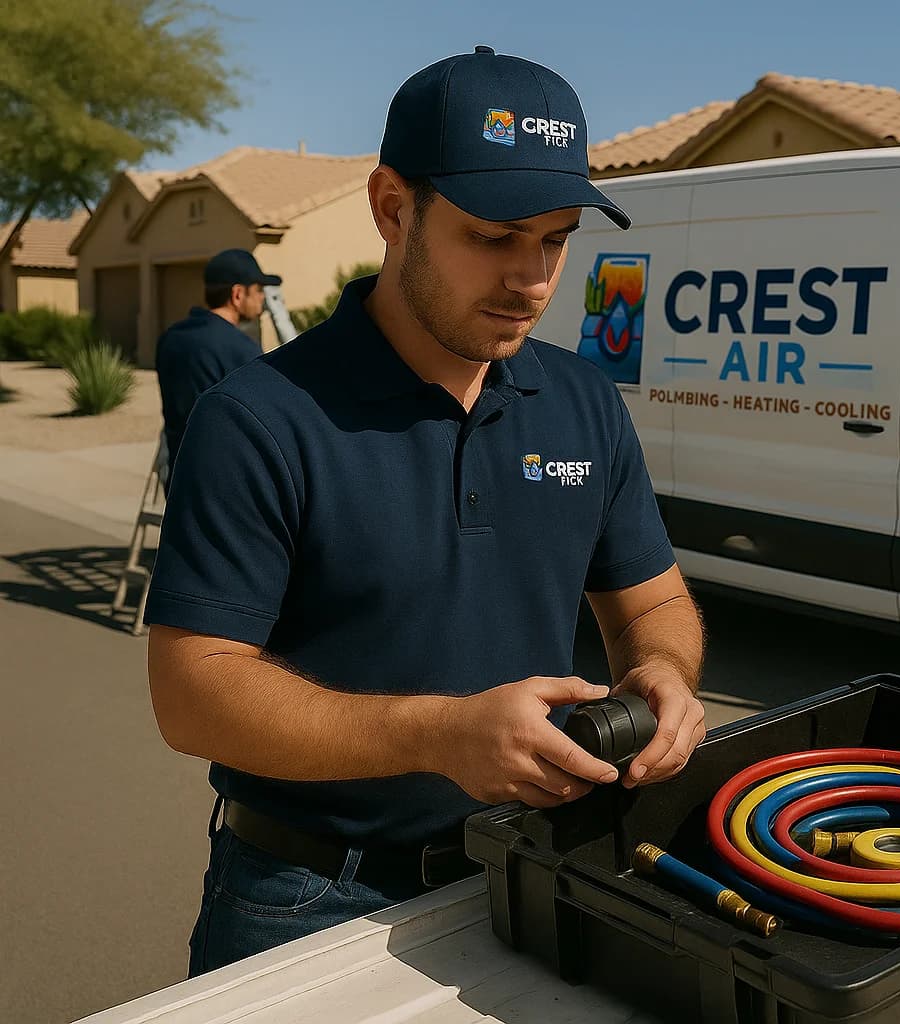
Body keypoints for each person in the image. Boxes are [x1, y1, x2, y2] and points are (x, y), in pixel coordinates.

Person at [144, 45, 707, 977]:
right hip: (311, 894)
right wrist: (439, 735)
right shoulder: (258, 418)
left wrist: (664, 677)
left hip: (538, 866)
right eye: (494, 236)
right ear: (393, 209)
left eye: (557, 238)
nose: (531, 276)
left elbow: (654, 605)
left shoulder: (585, 402)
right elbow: (190, 691)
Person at [154, 249, 277, 478]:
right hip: (223, 482)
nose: (263, 297)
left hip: (179, 475)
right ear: (238, 294)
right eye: (258, 289)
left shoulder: (171, 338)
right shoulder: (241, 349)